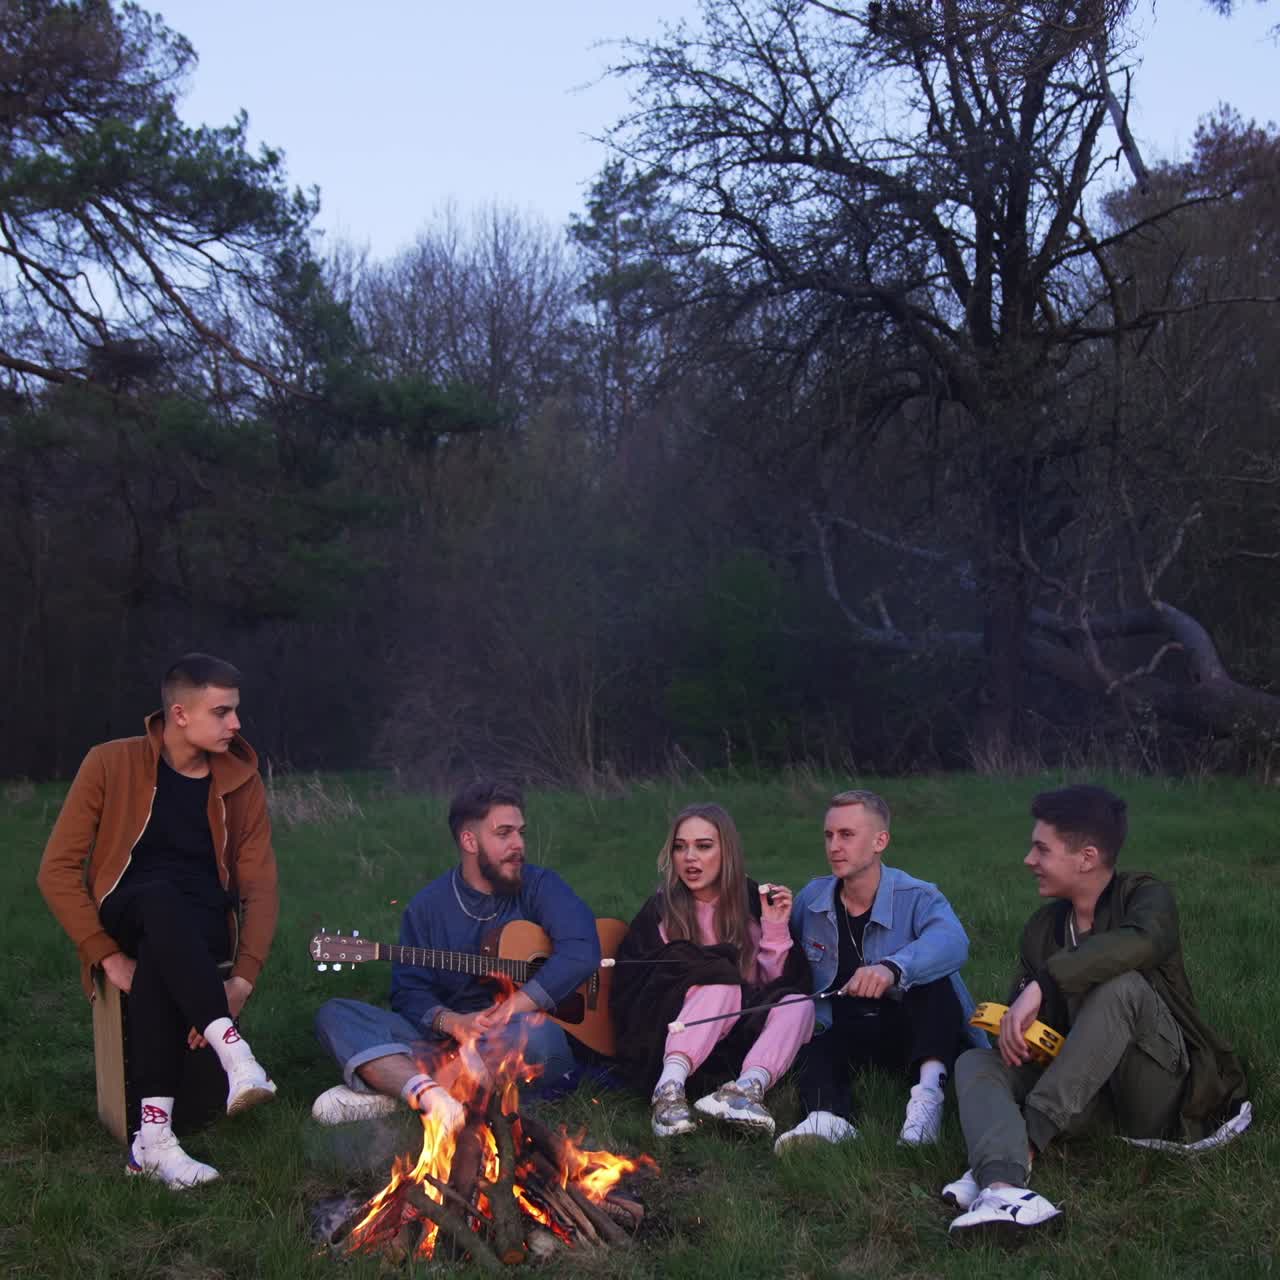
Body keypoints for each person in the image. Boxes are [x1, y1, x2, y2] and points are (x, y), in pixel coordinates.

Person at [945, 785, 1251, 1237]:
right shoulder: (1042, 928)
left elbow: (1142, 942)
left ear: (1086, 857)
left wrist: (1048, 981)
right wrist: (1019, 1039)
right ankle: (1005, 1189)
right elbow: (1031, 1017)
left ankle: (1022, 1145)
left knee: (1121, 988)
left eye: (1041, 849)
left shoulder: (1146, 898)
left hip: (1156, 1093)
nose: (1029, 860)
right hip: (1085, 1095)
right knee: (975, 1060)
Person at [37, 653, 280, 1189]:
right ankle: (235, 1054)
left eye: (236, 711)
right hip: (129, 909)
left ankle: (153, 1143)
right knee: (157, 900)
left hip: (198, 928)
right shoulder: (109, 763)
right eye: (222, 712)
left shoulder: (242, 781)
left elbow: (260, 885)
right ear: (180, 714)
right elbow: (55, 870)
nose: (236, 725)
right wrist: (103, 952)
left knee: (160, 952)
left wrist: (241, 980)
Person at [312, 780, 601, 1127]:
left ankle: (400, 1090)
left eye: (520, 832)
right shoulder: (427, 908)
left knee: (537, 1034)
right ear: (469, 840)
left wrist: (515, 1005)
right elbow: (409, 991)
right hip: (447, 1040)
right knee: (335, 1014)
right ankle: (434, 1097)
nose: (519, 845)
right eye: (504, 833)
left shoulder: (539, 886)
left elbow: (582, 949)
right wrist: (453, 1022)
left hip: (516, 1035)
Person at [777, 789, 982, 1153]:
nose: (835, 846)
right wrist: (772, 926)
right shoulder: (812, 898)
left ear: (880, 841)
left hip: (910, 1028)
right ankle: (828, 1118)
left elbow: (953, 941)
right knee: (811, 1034)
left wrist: (892, 968)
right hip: (845, 1027)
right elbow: (786, 962)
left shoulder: (918, 895)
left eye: (847, 835)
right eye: (829, 835)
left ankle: (927, 1098)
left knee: (935, 986)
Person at [611, 803, 812, 1139]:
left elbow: (773, 986)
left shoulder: (751, 902)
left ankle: (745, 1091)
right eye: (680, 846)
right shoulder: (662, 910)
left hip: (739, 1037)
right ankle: (668, 1093)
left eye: (703, 846)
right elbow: (642, 989)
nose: (690, 857)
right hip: (673, 1036)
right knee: (721, 983)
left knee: (799, 1003)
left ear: (726, 852)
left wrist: (775, 927)